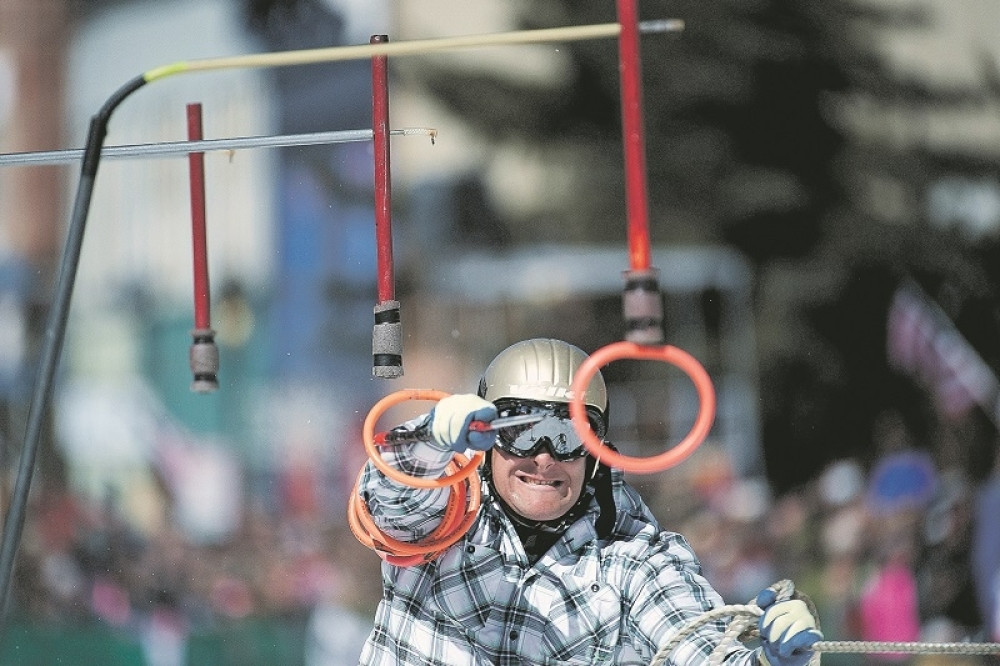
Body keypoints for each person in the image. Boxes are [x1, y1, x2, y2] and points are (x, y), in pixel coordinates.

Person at [356, 338, 822, 665]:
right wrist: (428, 441)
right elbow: (392, 499)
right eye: (521, 432)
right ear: (487, 440)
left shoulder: (635, 560)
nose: (544, 457)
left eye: (567, 436)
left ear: (595, 450)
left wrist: (767, 660)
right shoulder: (446, 510)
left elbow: (692, 642)